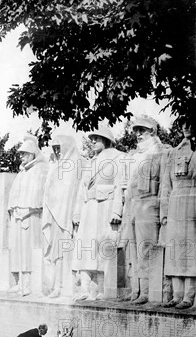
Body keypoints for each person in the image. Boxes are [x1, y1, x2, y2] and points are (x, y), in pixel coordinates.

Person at [72, 122, 124, 300]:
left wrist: (117, 211)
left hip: (106, 205)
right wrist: (77, 212)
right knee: (86, 247)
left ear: (106, 139)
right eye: (91, 138)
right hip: (89, 207)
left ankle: (103, 288)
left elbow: (119, 185)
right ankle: (85, 288)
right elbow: (81, 190)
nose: (93, 141)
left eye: (96, 138)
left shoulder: (117, 157)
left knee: (103, 246)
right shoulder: (90, 162)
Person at [119, 115, 168, 304]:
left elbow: (164, 184)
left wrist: (162, 210)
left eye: (142, 130)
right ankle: (136, 289)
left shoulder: (162, 152)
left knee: (146, 248)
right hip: (133, 205)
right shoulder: (133, 156)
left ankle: (149, 291)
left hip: (150, 204)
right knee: (132, 249)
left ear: (152, 131)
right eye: (136, 131)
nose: (138, 134)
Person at [160, 119, 196, 309]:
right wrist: (164, 211)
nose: (187, 126)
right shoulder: (173, 153)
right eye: (183, 123)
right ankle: (176, 294)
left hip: (193, 199)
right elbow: (165, 183)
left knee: (192, 250)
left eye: (191, 122)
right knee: (175, 249)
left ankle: (189, 295)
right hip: (175, 202)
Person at [42, 132, 85, 298]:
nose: (58, 151)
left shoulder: (78, 164)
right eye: (55, 148)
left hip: (69, 216)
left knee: (68, 251)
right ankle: (58, 286)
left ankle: (69, 286)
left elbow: (78, 191)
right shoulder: (55, 167)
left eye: (59, 148)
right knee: (57, 253)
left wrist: (76, 213)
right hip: (55, 215)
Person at [7, 134, 48, 296]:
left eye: (24, 153)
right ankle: (20, 282)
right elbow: (14, 195)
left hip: (31, 216)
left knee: (29, 250)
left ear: (32, 153)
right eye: (20, 153)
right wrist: (15, 209)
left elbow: (40, 195)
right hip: (18, 216)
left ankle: (29, 284)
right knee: (18, 250)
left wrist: (29, 209)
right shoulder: (22, 172)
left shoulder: (40, 169)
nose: (21, 156)